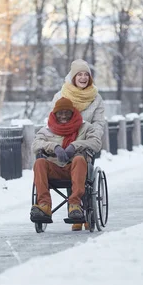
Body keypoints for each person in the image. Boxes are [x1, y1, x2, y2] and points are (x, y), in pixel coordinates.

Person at [30, 97, 102, 226]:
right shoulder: (47, 130)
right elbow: (35, 145)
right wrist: (54, 147)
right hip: (55, 168)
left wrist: (75, 146)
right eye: (60, 113)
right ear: (55, 114)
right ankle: (44, 205)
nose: (63, 116)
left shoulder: (85, 127)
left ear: (73, 112)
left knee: (79, 159)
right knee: (39, 163)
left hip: (77, 169)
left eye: (67, 112)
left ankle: (75, 204)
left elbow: (96, 143)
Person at [52, 59, 106, 230]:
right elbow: (52, 121)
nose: (83, 77)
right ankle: (74, 212)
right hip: (63, 141)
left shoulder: (96, 98)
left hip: (85, 143)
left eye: (86, 75)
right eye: (79, 74)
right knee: (67, 168)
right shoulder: (61, 95)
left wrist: (90, 138)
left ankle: (86, 211)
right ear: (73, 77)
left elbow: (98, 123)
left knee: (82, 169)